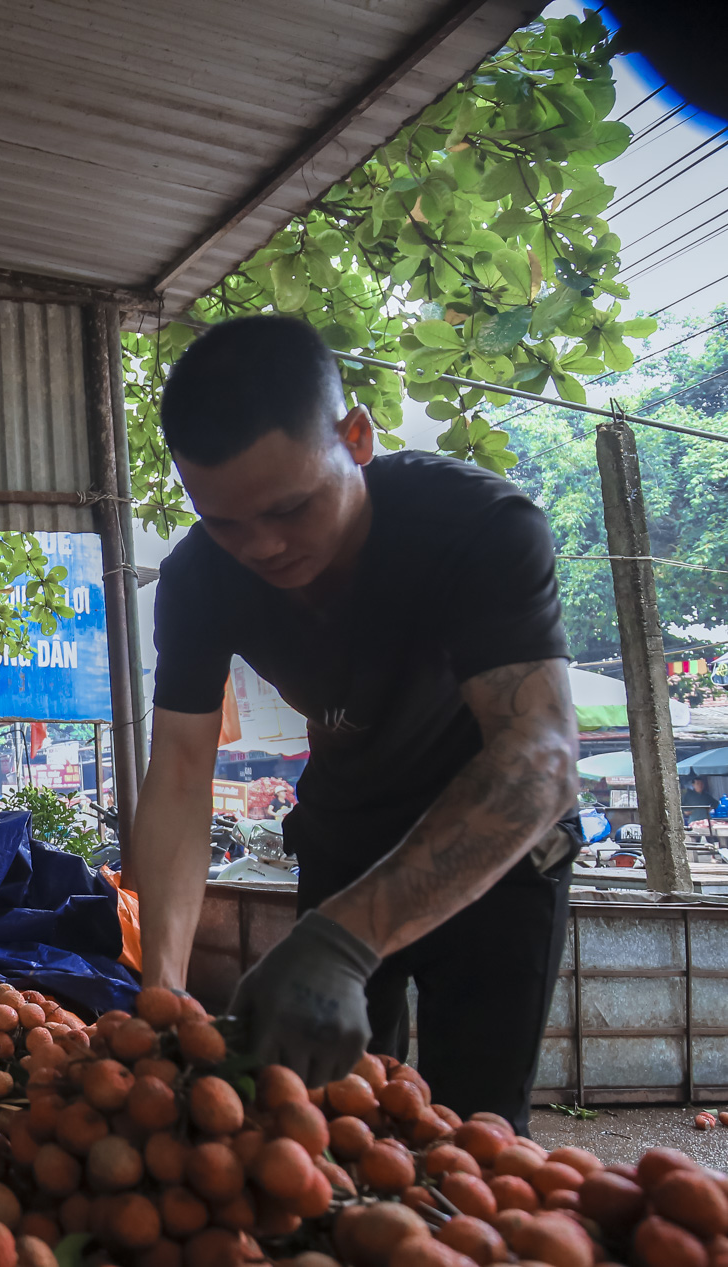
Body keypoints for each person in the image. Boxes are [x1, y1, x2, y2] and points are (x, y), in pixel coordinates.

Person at [133, 315, 580, 1131]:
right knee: (312, 1126)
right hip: (345, 834)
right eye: (226, 522)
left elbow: (540, 761)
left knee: (469, 1134)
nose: (262, 547)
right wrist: (161, 990)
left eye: (292, 507)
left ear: (358, 436)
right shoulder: (198, 576)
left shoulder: (477, 526)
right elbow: (179, 775)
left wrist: (346, 937)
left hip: (494, 849)